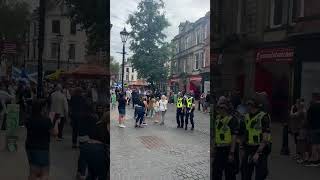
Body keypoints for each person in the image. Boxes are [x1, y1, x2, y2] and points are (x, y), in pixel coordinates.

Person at [25, 100, 59, 180]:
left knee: (32, 171)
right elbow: (55, 133)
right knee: (44, 172)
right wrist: (56, 121)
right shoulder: (46, 121)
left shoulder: (29, 119)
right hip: (42, 148)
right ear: (42, 109)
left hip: (29, 146)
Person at [241, 98, 271, 180]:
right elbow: (245, 133)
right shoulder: (246, 116)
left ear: (252, 106)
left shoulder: (263, 116)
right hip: (248, 147)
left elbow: (265, 137)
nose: (247, 107)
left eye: (248, 105)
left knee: (260, 174)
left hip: (260, 148)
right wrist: (242, 148)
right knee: (245, 173)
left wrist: (258, 153)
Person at [80, 102, 109, 180]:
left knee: (91, 170)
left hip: (87, 143)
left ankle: (82, 173)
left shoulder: (98, 123)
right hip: (99, 150)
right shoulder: (99, 122)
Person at [213, 102, 238, 180]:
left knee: (230, 173)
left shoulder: (232, 120)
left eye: (222, 108)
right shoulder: (217, 119)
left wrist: (232, 153)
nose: (220, 110)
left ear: (226, 109)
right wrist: (213, 146)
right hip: (219, 149)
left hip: (228, 149)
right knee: (216, 172)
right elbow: (215, 134)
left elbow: (234, 137)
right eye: (219, 108)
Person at [305, 92, 320, 166]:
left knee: (314, 144)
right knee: (318, 144)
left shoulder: (312, 107)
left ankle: (314, 160)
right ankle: (318, 159)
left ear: (314, 98)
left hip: (313, 128)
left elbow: (308, 118)